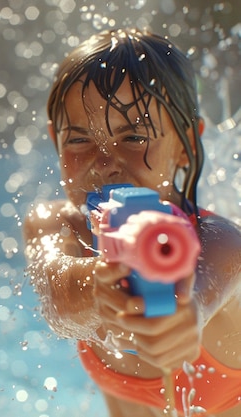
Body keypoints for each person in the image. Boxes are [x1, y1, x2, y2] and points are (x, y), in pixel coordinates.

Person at [23, 28, 241, 417]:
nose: (105, 163)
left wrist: (186, 315)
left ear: (188, 144)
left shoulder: (219, 242)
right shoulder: (57, 226)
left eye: (135, 136)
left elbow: (208, 287)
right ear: (55, 140)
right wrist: (101, 287)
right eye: (78, 141)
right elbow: (58, 296)